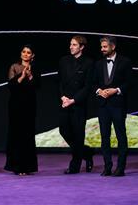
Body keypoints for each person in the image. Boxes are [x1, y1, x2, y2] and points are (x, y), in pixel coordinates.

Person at [94, 36, 132, 177]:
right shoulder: (98, 64)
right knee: (105, 137)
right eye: (101, 47)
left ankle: (120, 168)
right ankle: (107, 167)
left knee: (121, 136)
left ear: (113, 47)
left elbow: (129, 83)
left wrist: (116, 90)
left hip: (118, 104)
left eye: (105, 47)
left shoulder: (125, 62)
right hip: (103, 105)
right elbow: (93, 83)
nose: (102, 49)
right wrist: (99, 91)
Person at [58, 35, 95, 174]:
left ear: (82, 47)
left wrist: (73, 100)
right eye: (70, 44)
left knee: (78, 134)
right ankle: (86, 153)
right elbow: (59, 81)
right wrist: (62, 97)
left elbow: (87, 86)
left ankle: (75, 166)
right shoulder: (63, 61)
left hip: (78, 103)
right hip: (64, 102)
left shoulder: (89, 63)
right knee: (64, 131)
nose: (70, 47)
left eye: (74, 45)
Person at [4, 44, 40, 175]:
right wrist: (22, 76)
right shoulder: (14, 67)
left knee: (28, 135)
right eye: (23, 52)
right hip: (15, 106)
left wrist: (30, 76)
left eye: (28, 52)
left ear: (32, 56)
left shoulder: (35, 68)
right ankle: (16, 167)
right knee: (16, 134)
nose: (25, 54)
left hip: (29, 106)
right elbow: (11, 86)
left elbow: (38, 85)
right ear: (21, 54)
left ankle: (27, 167)